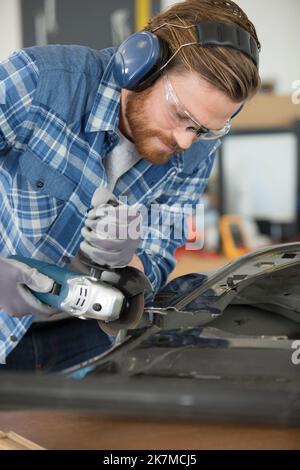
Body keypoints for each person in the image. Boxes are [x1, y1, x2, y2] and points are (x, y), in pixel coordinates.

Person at [0, 0, 261, 372]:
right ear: (139, 67)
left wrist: (126, 263)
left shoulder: (198, 150)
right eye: (181, 116)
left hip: (89, 332)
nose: (185, 141)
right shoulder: (38, 82)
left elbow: (156, 261)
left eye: (204, 129)